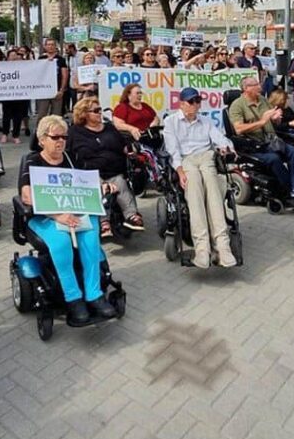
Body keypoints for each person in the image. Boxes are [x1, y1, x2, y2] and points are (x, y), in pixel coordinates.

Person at [19, 115, 118, 325]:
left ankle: (93, 294)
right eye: (55, 137)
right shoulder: (33, 161)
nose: (61, 141)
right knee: (61, 243)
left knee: (91, 239)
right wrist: (58, 215)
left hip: (75, 212)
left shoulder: (72, 158)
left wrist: (104, 185)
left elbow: (90, 179)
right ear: (42, 139)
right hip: (44, 216)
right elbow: (27, 195)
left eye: (64, 137)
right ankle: (73, 298)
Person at [163, 87, 238, 268]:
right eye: (192, 101)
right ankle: (202, 248)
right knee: (194, 193)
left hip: (206, 158)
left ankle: (222, 246)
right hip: (186, 160)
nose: (196, 104)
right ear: (181, 104)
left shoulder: (205, 121)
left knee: (213, 191)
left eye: (198, 101)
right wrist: (180, 172)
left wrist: (227, 147)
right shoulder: (171, 122)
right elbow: (173, 151)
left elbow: (220, 138)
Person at [68, 97, 145, 236]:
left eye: (100, 110)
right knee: (100, 186)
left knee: (120, 183)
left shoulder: (109, 128)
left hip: (114, 170)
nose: (100, 113)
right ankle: (104, 221)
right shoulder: (75, 132)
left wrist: (131, 150)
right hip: (89, 173)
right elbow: (68, 154)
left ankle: (132, 216)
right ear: (85, 114)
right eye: (96, 111)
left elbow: (123, 146)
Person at [228, 76, 294, 200]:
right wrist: (262, 121)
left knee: (292, 151)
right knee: (274, 158)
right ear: (246, 88)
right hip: (253, 145)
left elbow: (272, 119)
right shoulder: (237, 106)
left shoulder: (262, 100)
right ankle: (287, 188)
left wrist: (276, 118)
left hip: (271, 140)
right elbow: (238, 129)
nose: (259, 87)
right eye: (255, 85)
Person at [0, 50, 30, 144]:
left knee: (18, 116)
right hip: (7, 95)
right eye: (11, 55)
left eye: (15, 55)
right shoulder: (3, 67)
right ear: (7, 57)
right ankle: (5, 134)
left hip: (19, 95)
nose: (13, 57)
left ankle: (15, 135)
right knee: (6, 116)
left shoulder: (23, 66)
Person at [35, 38, 69, 119]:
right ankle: (40, 130)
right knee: (42, 114)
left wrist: (61, 90)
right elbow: (37, 74)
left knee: (56, 115)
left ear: (55, 46)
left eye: (52, 44)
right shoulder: (41, 59)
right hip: (44, 91)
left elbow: (64, 75)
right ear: (45, 46)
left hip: (57, 90)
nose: (50, 46)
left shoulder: (61, 59)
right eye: (48, 45)